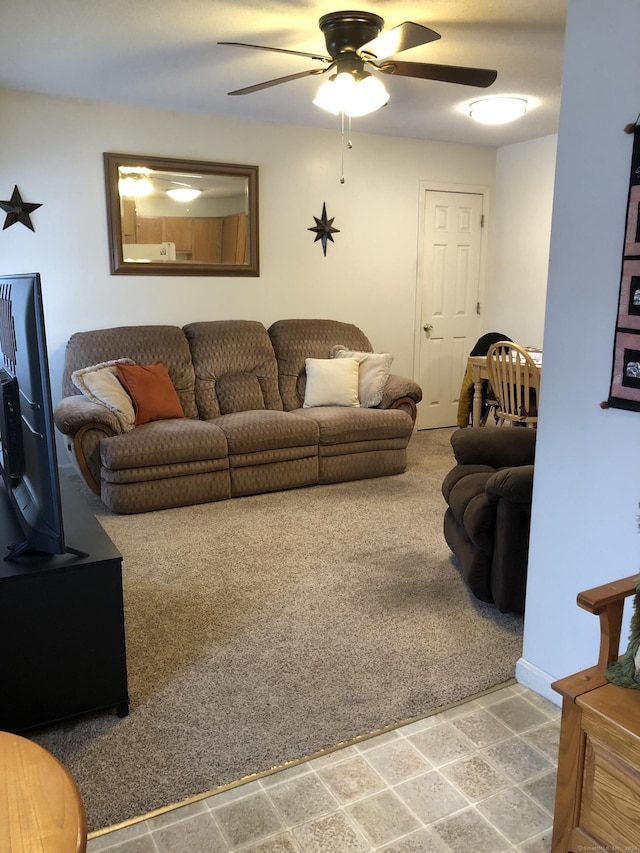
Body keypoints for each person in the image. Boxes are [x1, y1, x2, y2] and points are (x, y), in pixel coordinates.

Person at [456, 333, 512, 428]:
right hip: (479, 358)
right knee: (470, 388)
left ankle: (467, 424)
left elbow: (465, 393)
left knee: (468, 389)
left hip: (499, 392)